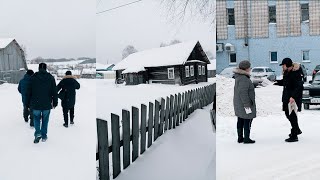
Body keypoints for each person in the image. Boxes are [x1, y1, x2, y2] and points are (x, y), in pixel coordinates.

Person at [26, 63, 58, 143]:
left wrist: (27, 103)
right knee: (45, 120)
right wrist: (55, 102)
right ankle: (44, 136)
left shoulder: (33, 77)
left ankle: (38, 134)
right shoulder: (50, 78)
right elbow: (54, 91)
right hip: (47, 103)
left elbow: (28, 92)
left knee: (36, 119)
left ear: (39, 68)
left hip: (35, 103)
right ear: (46, 68)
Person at [279, 58, 303, 142]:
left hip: (293, 99)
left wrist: (293, 97)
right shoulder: (287, 72)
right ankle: (296, 129)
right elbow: (286, 82)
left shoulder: (296, 73)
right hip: (286, 97)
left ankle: (294, 135)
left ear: (286, 65)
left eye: (283, 65)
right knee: (287, 114)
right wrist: (277, 82)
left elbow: (299, 87)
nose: (282, 67)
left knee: (292, 115)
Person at [233, 60, 256, 144]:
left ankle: (240, 138)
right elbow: (243, 92)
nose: (250, 68)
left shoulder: (239, 76)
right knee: (247, 119)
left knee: (241, 119)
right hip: (245, 104)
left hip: (239, 103)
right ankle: (246, 138)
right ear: (246, 68)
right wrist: (247, 104)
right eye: (249, 67)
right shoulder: (244, 78)